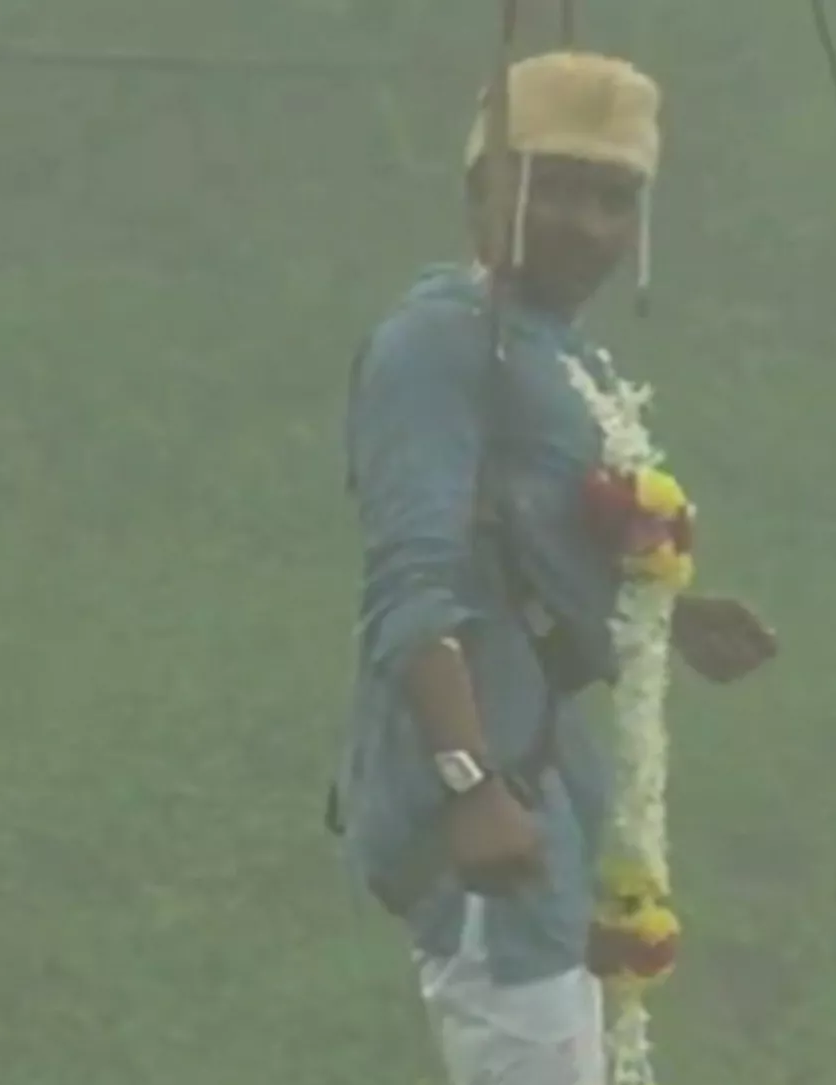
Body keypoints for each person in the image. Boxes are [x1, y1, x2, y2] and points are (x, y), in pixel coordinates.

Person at [329, 50, 777, 1085]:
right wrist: (469, 782)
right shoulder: (435, 345)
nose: (588, 225)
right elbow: (410, 583)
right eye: (556, 188)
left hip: (550, 786)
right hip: (488, 800)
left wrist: (668, 617)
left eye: (614, 199)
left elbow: (528, 546)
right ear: (484, 189)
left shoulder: (561, 353)